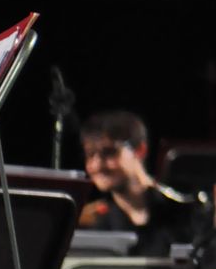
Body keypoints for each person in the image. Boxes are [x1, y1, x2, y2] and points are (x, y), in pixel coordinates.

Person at [75, 110, 196, 256]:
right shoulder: (96, 223)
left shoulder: (185, 210)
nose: (96, 165)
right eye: (89, 155)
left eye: (108, 152)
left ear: (140, 150)